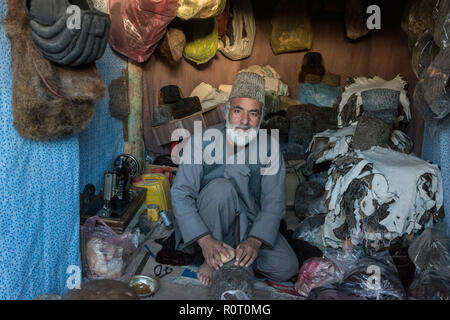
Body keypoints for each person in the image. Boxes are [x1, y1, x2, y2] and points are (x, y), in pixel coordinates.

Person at [171, 72, 298, 286]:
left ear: (261, 116)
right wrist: (206, 241)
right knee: (220, 189)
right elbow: (180, 194)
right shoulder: (201, 141)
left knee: (286, 267)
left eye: (253, 113)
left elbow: (274, 201)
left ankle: (231, 257)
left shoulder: (270, 147)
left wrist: (255, 241)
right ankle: (211, 258)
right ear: (226, 110)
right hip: (210, 223)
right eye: (238, 111)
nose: (245, 121)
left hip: (250, 222)